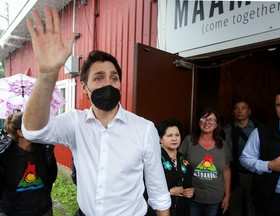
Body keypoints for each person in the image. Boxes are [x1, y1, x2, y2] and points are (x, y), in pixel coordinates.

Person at [22, 7, 170, 216]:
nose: (108, 84)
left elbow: (158, 193)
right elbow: (33, 132)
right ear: (84, 87)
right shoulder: (75, 122)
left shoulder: (144, 129)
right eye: (99, 78)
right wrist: (47, 73)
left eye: (114, 78)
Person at [240, 87, 280, 216]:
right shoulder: (262, 132)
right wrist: (269, 165)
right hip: (275, 200)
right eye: (279, 105)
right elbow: (244, 159)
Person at [0, 112, 57, 216]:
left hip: (43, 210)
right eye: (33, 127)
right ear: (20, 133)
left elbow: (51, 176)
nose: (38, 130)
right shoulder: (4, 155)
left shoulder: (45, 150)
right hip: (14, 212)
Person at [179, 108, 232, 216]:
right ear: (199, 122)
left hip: (215, 197)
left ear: (217, 124)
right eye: (204, 118)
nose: (207, 122)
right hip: (192, 196)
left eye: (211, 119)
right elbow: (178, 165)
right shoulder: (188, 141)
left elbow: (226, 170)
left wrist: (227, 195)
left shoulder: (223, 144)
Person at [223, 99, 256, 216]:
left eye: (243, 108)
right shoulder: (226, 130)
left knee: (253, 205)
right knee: (234, 206)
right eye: (237, 108)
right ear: (233, 112)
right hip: (234, 174)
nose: (239, 111)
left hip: (254, 174)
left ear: (249, 111)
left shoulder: (258, 129)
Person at [156, 119, 194, 216]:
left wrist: (191, 191)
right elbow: (144, 190)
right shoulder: (154, 159)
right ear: (160, 139)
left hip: (182, 210)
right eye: (169, 135)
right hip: (161, 211)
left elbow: (188, 182)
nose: (174, 139)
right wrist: (169, 192)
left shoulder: (183, 159)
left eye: (177, 135)